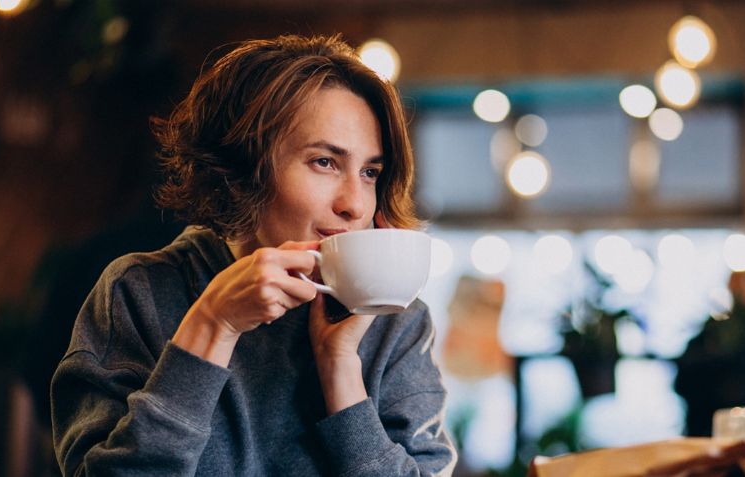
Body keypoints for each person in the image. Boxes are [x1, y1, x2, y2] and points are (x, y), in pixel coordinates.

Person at [50, 34, 457, 476]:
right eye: (324, 162)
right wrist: (212, 326)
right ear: (241, 169)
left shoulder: (395, 324)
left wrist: (341, 372)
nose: (355, 204)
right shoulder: (142, 293)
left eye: (369, 172)